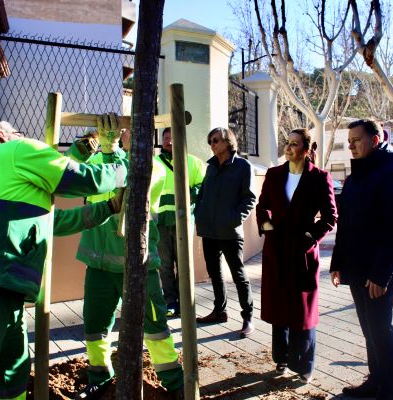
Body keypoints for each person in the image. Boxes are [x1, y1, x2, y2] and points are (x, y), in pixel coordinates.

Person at [0, 120, 128, 400]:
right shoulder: (15, 150)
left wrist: (108, 207)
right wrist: (123, 168)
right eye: (19, 133)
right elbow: (79, 179)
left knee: (11, 375)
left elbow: (52, 220)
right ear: (3, 136)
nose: (24, 137)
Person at [72, 119, 184, 400]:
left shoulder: (156, 167)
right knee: (95, 328)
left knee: (155, 326)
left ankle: (174, 382)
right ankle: (99, 377)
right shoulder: (99, 158)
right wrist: (86, 146)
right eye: (126, 129)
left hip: (139, 264)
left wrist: (110, 152)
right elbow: (67, 173)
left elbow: (129, 182)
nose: (127, 134)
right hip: (98, 264)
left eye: (136, 131)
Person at [330, 119, 393, 400]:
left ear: (375, 140)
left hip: (377, 272)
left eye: (356, 139)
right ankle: (375, 381)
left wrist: (381, 275)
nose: (351, 144)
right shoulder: (354, 178)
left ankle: (389, 392)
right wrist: (337, 263)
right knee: (368, 329)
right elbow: (346, 225)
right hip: (355, 267)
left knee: (381, 330)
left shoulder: (391, 174)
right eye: (348, 140)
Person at [256, 128, 337, 384]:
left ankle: (304, 364)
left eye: (294, 144)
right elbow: (262, 206)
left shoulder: (320, 178)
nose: (288, 148)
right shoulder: (274, 174)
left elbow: (330, 217)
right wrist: (267, 227)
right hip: (277, 249)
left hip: (302, 252)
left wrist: (310, 237)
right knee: (279, 306)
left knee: (303, 311)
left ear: (306, 149)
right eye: (287, 143)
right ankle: (280, 357)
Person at [194, 127, 257, 338]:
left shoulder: (243, 166)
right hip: (209, 231)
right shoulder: (210, 167)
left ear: (228, 142)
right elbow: (203, 193)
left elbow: (250, 198)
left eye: (215, 140)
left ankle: (248, 317)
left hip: (229, 231)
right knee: (215, 273)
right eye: (210, 141)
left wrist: (234, 219)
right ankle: (219, 311)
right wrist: (199, 211)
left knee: (238, 275)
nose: (212, 145)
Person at [155, 127, 205, 317]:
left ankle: (185, 302)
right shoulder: (154, 162)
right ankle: (170, 302)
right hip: (160, 222)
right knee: (164, 266)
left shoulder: (193, 163)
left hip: (183, 221)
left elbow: (202, 185)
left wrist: (189, 197)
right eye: (165, 138)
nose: (168, 141)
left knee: (184, 264)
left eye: (172, 137)